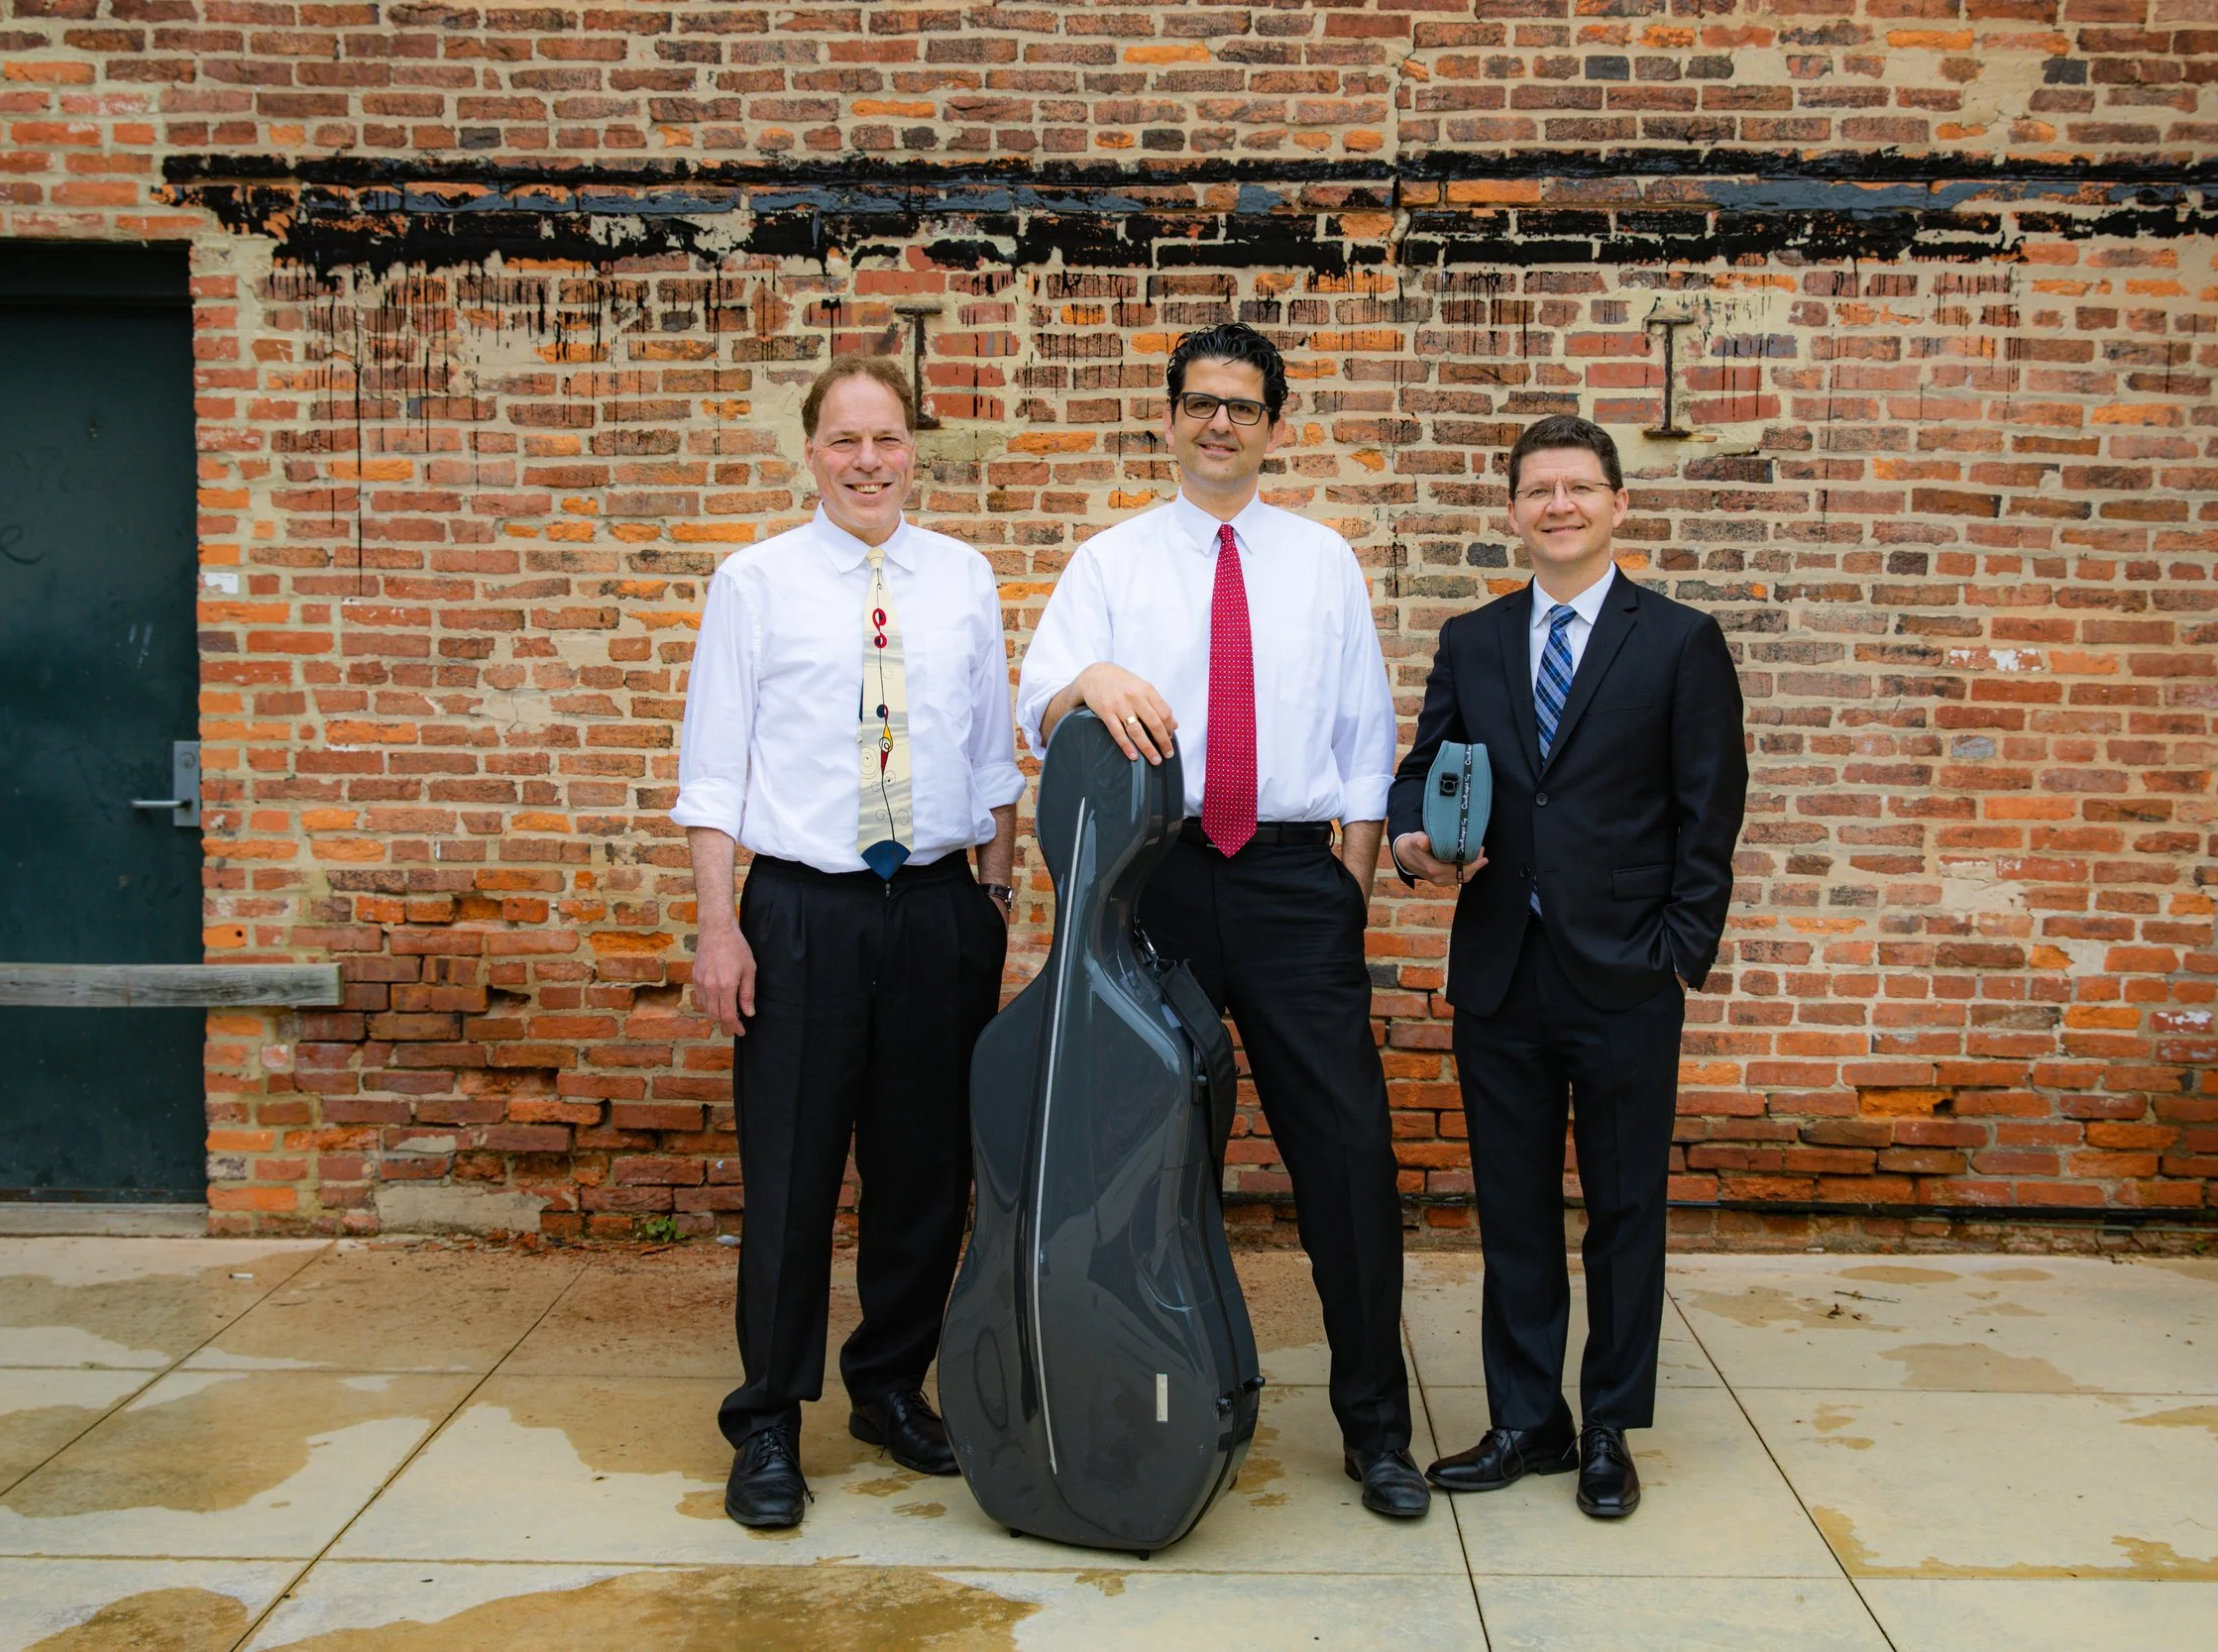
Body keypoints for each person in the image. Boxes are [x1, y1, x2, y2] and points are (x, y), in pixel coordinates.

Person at [1015, 322, 1429, 1519]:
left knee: (1345, 1157)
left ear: (1274, 426)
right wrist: (1089, 681)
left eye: (1242, 407)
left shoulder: (1322, 561)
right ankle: (1139, 1393)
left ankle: (1377, 1429)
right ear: (1167, 419)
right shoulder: (1112, 560)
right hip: (1159, 877)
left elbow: (1363, 739)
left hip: (1296, 883)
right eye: (1198, 403)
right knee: (1144, 1157)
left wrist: (1345, 882)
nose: (1218, 424)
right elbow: (1037, 705)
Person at [672, 355, 1025, 1529]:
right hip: (801, 911)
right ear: (810, 453)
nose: (868, 461)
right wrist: (720, 925)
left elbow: (988, 754)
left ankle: (889, 1387)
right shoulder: (754, 580)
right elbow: (714, 765)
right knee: (791, 1175)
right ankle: (769, 1417)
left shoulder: (963, 576)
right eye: (843, 441)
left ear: (913, 449)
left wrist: (996, 894)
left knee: (926, 1171)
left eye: (886, 439)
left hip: (935, 905)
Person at [1386, 414, 1746, 1520]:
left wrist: (1675, 954)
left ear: (1617, 503)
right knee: (1514, 1208)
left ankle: (1606, 1426)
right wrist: (1410, 843)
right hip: (1501, 968)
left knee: (1626, 1208)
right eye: (1536, 489)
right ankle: (1523, 1418)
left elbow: (1709, 810)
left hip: (1625, 973)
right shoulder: (1474, 638)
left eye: (1578, 487)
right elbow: (1419, 774)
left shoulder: (1679, 641)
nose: (1557, 505)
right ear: (1510, 511)